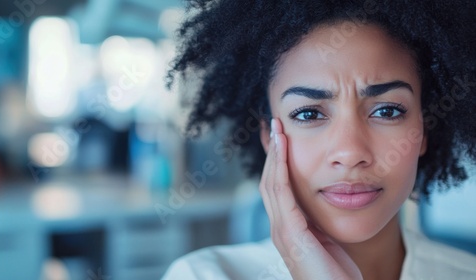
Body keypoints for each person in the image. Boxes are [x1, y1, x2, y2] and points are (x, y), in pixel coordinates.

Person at [162, 0, 476, 279]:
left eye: (387, 111)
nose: (350, 153)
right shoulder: (203, 275)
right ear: (268, 137)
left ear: (424, 129)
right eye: (309, 115)